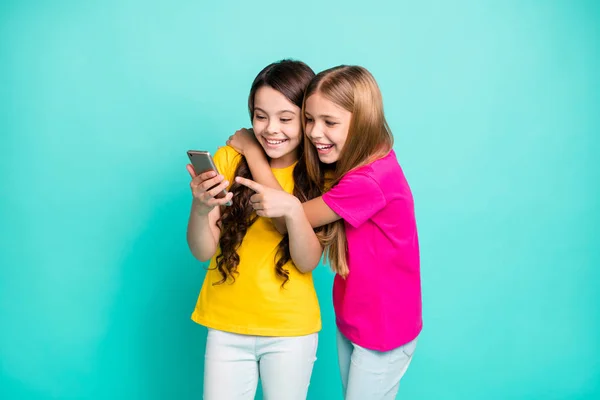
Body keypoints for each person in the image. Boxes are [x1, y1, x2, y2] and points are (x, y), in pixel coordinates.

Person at [231, 65, 422, 400]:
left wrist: (253, 152)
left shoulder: (370, 180)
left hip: (384, 327)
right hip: (358, 317)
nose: (315, 132)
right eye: (309, 120)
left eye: (329, 122)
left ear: (361, 121)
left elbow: (288, 221)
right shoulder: (361, 164)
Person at [186, 60, 323, 400]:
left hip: (290, 330)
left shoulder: (320, 174)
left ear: (307, 119)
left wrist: (252, 151)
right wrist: (201, 208)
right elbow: (202, 250)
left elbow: (307, 262)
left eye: (285, 118)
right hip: (226, 325)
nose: (270, 129)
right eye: (260, 116)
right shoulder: (228, 160)